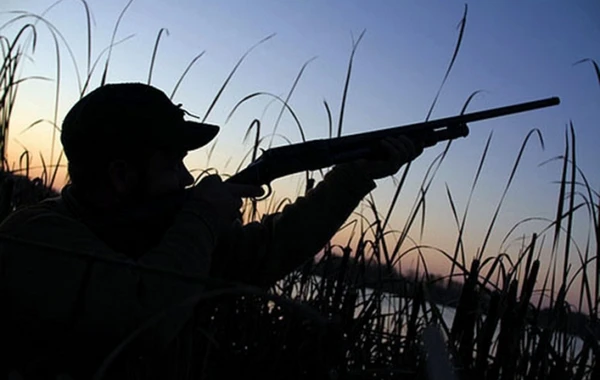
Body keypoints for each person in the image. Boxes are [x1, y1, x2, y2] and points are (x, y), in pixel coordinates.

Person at [0, 82, 423, 378]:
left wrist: (351, 177)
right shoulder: (34, 237)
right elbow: (142, 319)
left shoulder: (161, 231)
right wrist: (202, 216)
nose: (187, 179)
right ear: (120, 175)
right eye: (173, 164)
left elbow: (268, 251)